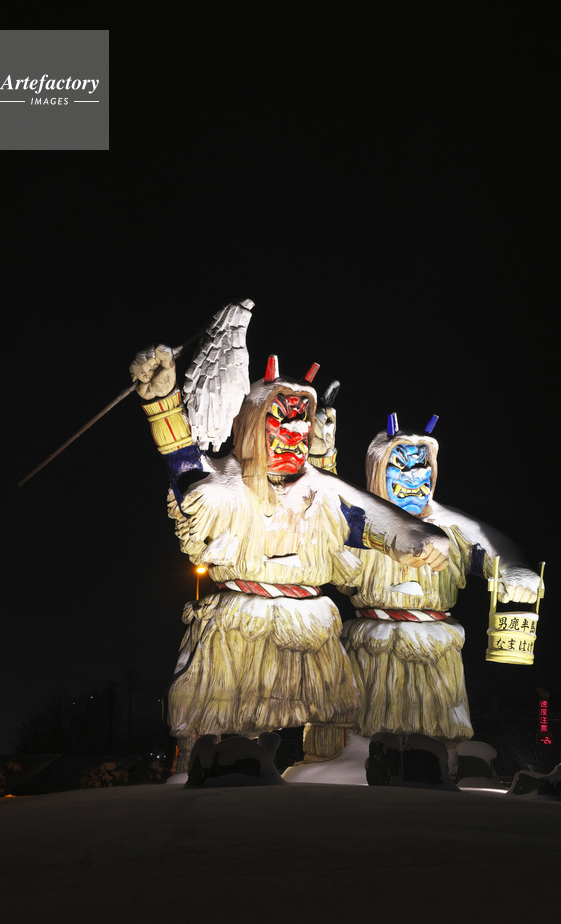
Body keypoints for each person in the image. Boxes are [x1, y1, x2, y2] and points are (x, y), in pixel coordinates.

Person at [129, 301, 450, 768]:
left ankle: (328, 783)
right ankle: (199, 780)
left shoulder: (323, 492)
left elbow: (370, 518)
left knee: (331, 718)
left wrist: (415, 536)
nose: (296, 429)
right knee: (212, 715)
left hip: (311, 626)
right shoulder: (228, 487)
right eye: (281, 418)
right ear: (252, 423)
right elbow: (187, 472)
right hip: (237, 625)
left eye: (303, 418)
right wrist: (163, 403)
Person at [339, 414, 542, 746]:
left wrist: (514, 572)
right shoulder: (358, 523)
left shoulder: (451, 527)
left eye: (422, 464)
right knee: (368, 730)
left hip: (436, 649)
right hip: (373, 648)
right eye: (401, 465)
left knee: (440, 734)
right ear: (378, 468)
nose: (414, 475)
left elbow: (494, 551)